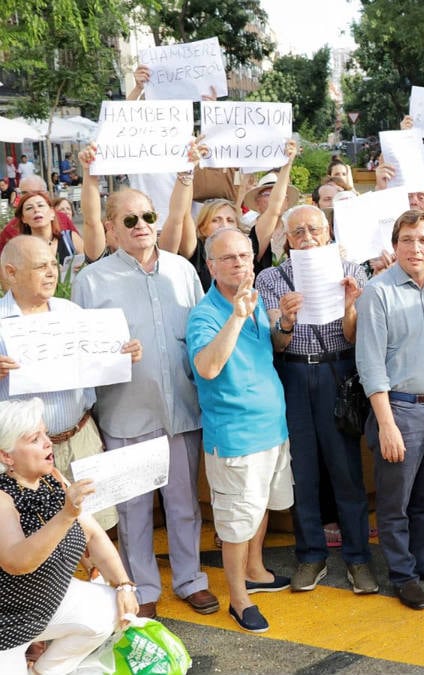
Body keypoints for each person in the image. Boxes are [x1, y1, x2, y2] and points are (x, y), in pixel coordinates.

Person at [72, 181, 218, 620]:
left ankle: (191, 579)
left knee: (183, 505)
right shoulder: (90, 281)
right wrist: (108, 357)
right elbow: (81, 353)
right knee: (134, 510)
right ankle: (141, 586)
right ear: (111, 229)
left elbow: (200, 335)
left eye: (148, 217)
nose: (141, 226)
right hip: (125, 413)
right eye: (129, 220)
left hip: (181, 410)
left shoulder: (183, 270)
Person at [254, 206, 377, 595]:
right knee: (302, 470)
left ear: (328, 232)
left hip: (337, 372)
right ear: (287, 239)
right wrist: (286, 320)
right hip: (292, 372)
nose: (307, 237)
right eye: (298, 232)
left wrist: (350, 307)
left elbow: (355, 337)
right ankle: (311, 555)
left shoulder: (352, 271)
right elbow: (277, 341)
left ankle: (359, 559)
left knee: (346, 468)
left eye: (314, 229)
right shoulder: (271, 277)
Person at [357, 210, 424, 611]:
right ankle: (403, 575)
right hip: (400, 411)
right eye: (406, 239)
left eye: (423, 240)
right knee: (395, 503)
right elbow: (370, 364)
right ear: (395, 244)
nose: (415, 247)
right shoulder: (378, 292)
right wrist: (386, 424)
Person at [188, 227, 293, 633]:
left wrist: (282, 325)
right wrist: (236, 317)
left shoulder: (256, 300)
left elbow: (272, 348)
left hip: (272, 428)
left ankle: (256, 570)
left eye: (246, 256)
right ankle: (239, 597)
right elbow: (208, 368)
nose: (240, 264)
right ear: (211, 265)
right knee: (234, 523)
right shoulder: (206, 313)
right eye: (229, 258)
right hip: (236, 438)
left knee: (261, 504)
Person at [0, 235, 139, 535]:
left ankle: (102, 580)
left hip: (80, 437)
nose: (51, 272)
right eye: (41, 266)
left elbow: (101, 364)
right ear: (11, 272)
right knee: (34, 536)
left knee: (97, 529)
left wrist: (125, 355)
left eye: (53, 264)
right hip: (24, 456)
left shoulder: (71, 313)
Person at [0, 398, 139, 674]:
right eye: (34, 439)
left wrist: (124, 585)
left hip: (45, 605)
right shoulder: (3, 497)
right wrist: (66, 514)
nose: (48, 442)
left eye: (45, 433)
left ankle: (43, 671)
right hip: (5, 629)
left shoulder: (52, 477)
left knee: (111, 607)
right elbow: (17, 561)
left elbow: (94, 534)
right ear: (6, 456)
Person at [12, 191, 82, 266]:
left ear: (52, 213)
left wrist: (83, 266)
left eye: (40, 205)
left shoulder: (70, 239)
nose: (36, 210)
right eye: (29, 208)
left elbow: (90, 264)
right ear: (23, 219)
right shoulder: (21, 250)